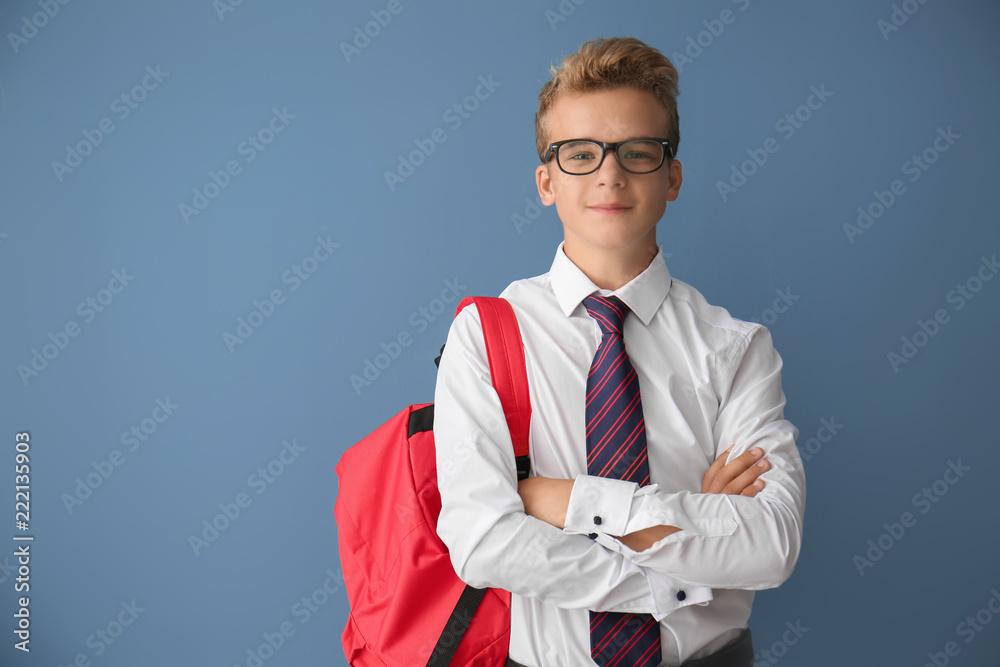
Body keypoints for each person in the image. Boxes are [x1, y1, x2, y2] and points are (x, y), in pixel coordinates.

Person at [433, 36, 806, 667]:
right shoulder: (487, 335)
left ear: (673, 176)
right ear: (546, 181)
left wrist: (565, 501)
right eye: (580, 153)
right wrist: (680, 569)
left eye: (638, 152)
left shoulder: (736, 348)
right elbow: (482, 540)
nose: (609, 173)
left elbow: (770, 545)